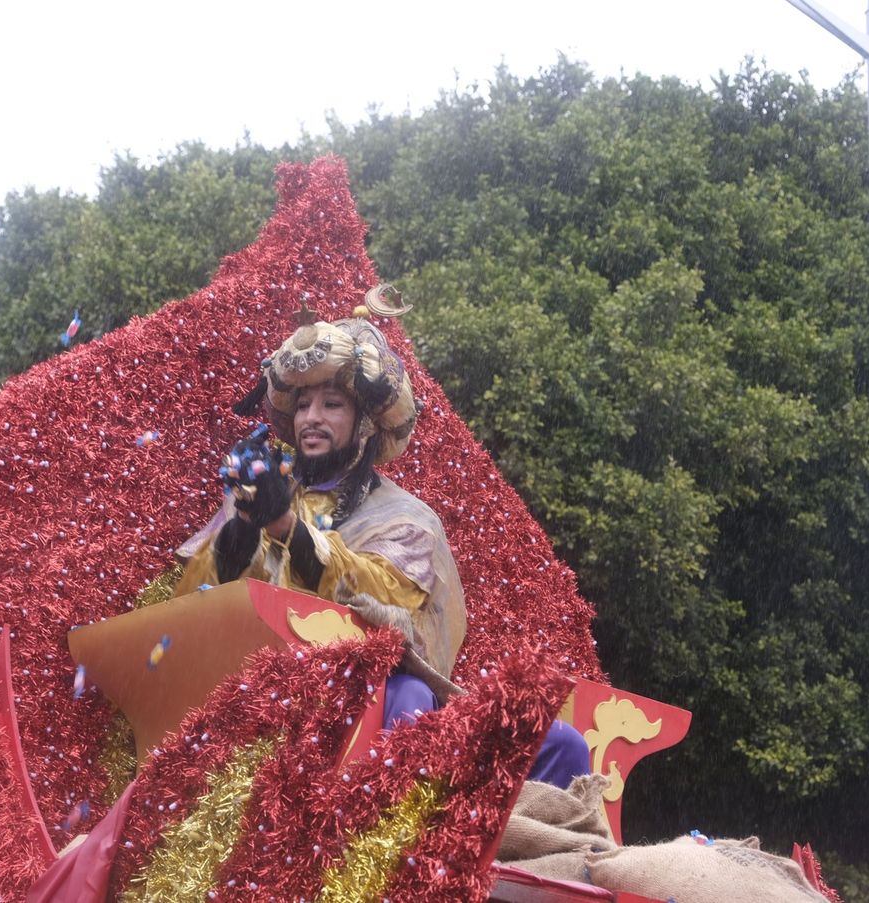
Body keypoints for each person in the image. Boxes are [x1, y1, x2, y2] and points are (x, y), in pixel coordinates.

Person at [175, 290, 589, 788]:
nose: (311, 418)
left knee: (556, 743)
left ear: (367, 423)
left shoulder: (408, 519)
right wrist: (243, 529)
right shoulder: (257, 493)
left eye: (331, 404)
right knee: (406, 699)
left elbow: (381, 598)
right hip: (259, 696)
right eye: (303, 405)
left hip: (358, 689)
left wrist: (287, 528)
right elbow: (191, 604)